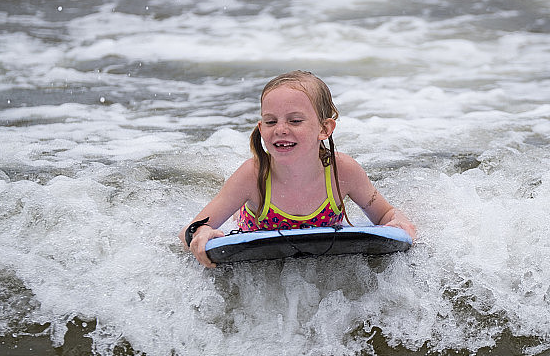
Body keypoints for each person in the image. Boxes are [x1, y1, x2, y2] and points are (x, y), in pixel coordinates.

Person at [178, 70, 417, 268]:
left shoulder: (342, 172)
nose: (280, 129)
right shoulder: (253, 175)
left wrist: (400, 223)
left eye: (294, 121)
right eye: (271, 121)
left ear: (325, 129)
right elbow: (192, 229)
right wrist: (199, 235)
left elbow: (386, 216)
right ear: (261, 128)